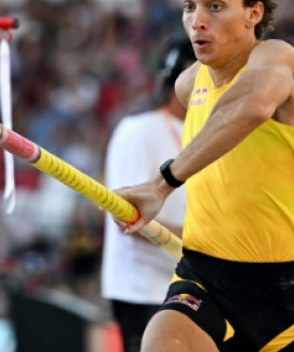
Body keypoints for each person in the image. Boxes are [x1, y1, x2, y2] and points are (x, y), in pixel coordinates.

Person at [115, 0, 294, 352]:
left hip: (285, 300)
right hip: (203, 278)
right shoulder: (187, 84)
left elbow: (252, 104)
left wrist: (160, 185)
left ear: (254, 13)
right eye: (189, 6)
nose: (197, 21)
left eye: (215, 6)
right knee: (162, 343)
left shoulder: (279, 58)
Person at [102, 34, 196, 352]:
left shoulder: (201, 130)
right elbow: (127, 215)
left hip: (184, 283)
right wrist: (201, 242)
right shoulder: (139, 130)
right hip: (144, 288)